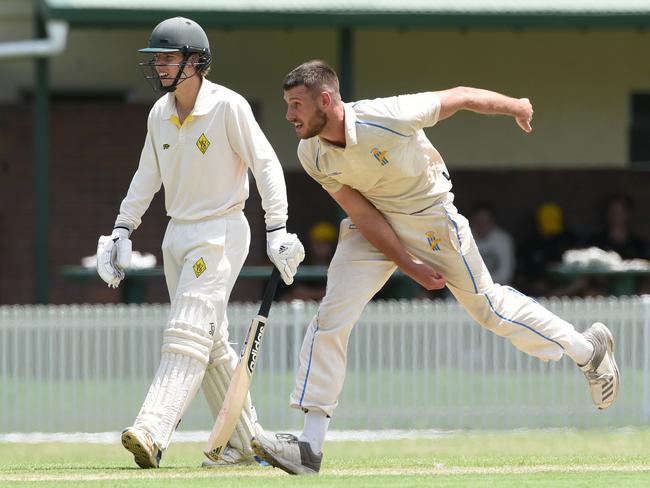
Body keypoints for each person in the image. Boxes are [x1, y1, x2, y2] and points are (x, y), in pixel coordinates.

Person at [250, 60, 620, 475]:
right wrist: (408, 264)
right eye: (286, 105)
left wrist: (516, 105)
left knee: (489, 309)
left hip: (432, 218)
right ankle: (309, 447)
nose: (289, 116)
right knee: (333, 314)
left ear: (325, 99)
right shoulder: (311, 152)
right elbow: (361, 212)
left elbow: (460, 97)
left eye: (296, 105)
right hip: (373, 223)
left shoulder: (387, 116)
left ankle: (588, 350)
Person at [95, 17, 305, 469]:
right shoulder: (160, 114)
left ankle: (152, 430)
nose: (161, 66)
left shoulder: (228, 106)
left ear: (197, 60)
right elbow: (146, 175)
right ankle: (246, 443)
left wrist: (278, 228)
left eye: (170, 57)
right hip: (178, 233)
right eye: (158, 58)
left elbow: (266, 164)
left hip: (221, 230)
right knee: (210, 343)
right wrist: (121, 229)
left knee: (188, 328)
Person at [279, 221, 337, 301]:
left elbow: (339, 292)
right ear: (311, 243)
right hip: (304, 306)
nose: (321, 247)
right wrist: (324, 293)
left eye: (325, 243)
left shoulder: (337, 262)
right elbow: (298, 292)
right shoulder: (301, 259)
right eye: (318, 242)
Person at [470, 204, 515, 286]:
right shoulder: (462, 238)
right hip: (468, 288)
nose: (482, 225)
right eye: (479, 220)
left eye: (486, 221)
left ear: (493, 222)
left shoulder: (504, 239)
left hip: (498, 287)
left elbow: (505, 274)